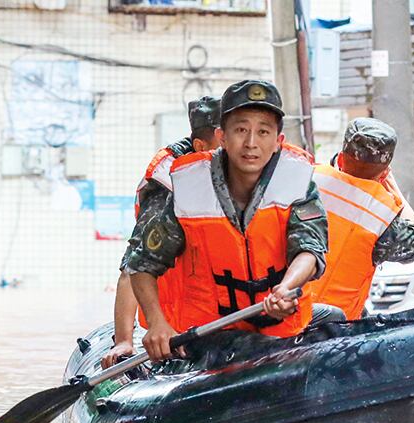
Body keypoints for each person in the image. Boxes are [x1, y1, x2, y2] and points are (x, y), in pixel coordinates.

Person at [125, 79, 328, 363]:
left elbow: (310, 249)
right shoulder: (189, 188)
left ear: (278, 141)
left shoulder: (298, 182)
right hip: (210, 336)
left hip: (281, 328)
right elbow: (141, 264)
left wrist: (285, 288)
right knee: (246, 348)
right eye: (241, 130)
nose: (251, 143)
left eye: (263, 132)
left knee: (335, 318)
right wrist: (157, 323)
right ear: (222, 136)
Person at [103, 96, 221, 368]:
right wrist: (124, 341)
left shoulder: (243, 176)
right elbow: (133, 266)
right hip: (175, 327)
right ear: (201, 146)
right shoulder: (167, 186)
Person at [308, 118, 414, 319]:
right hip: (335, 327)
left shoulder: (308, 178)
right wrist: (392, 186)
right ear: (384, 173)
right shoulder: (384, 213)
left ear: (341, 159)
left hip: (283, 312)